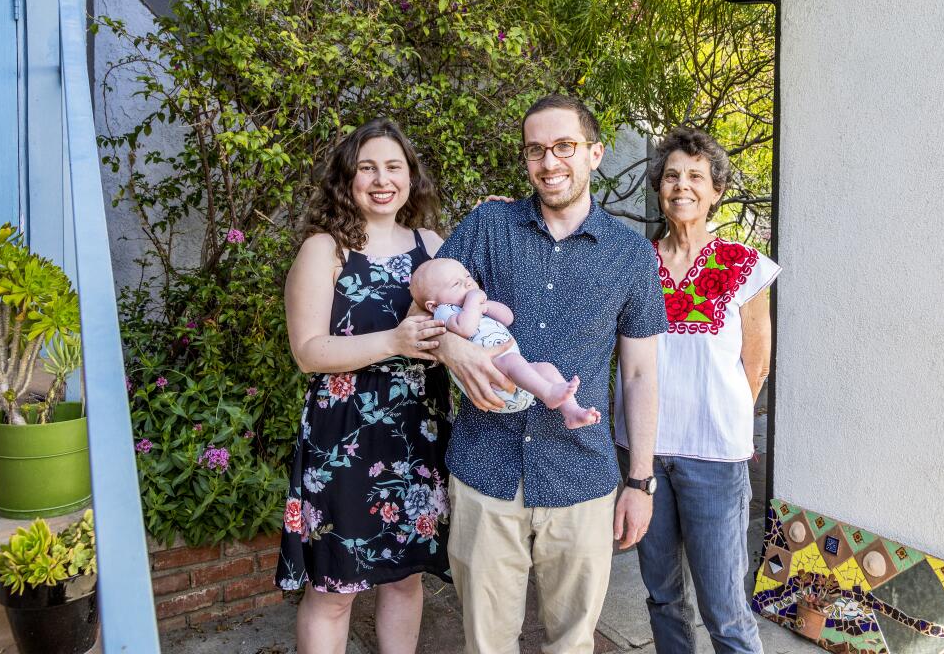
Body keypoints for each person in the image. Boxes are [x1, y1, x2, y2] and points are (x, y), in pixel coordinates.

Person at [432, 94, 668, 654]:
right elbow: (427, 304)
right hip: (486, 469)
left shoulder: (631, 255)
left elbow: (639, 375)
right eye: (536, 150)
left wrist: (639, 481)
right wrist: (450, 349)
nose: (549, 162)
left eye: (564, 146)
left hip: (581, 476)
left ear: (595, 153)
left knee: (572, 642)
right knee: (486, 643)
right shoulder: (488, 225)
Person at [275, 120, 453, 654]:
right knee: (334, 589)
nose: (381, 179)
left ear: (410, 177)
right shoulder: (324, 250)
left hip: (418, 439)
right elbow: (309, 351)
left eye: (393, 167)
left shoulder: (433, 245)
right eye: (367, 167)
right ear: (347, 178)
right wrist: (396, 341)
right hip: (344, 443)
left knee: (405, 578)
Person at [615, 126, 779, 654]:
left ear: (715, 190)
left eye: (695, 176)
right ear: (659, 188)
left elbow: (756, 361)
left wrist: (722, 418)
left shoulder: (743, 264)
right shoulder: (636, 263)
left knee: (725, 610)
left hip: (714, 458)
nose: (681, 186)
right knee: (663, 598)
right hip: (645, 456)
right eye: (670, 176)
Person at [409, 257, 601, 429]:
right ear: (432, 305)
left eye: (467, 276)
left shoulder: (474, 306)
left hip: (512, 377)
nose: (468, 283)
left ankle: (572, 412)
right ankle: (548, 392)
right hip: (488, 378)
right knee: (512, 360)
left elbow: (508, 317)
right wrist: (474, 302)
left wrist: (485, 305)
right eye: (456, 284)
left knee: (546, 369)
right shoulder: (445, 311)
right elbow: (465, 328)